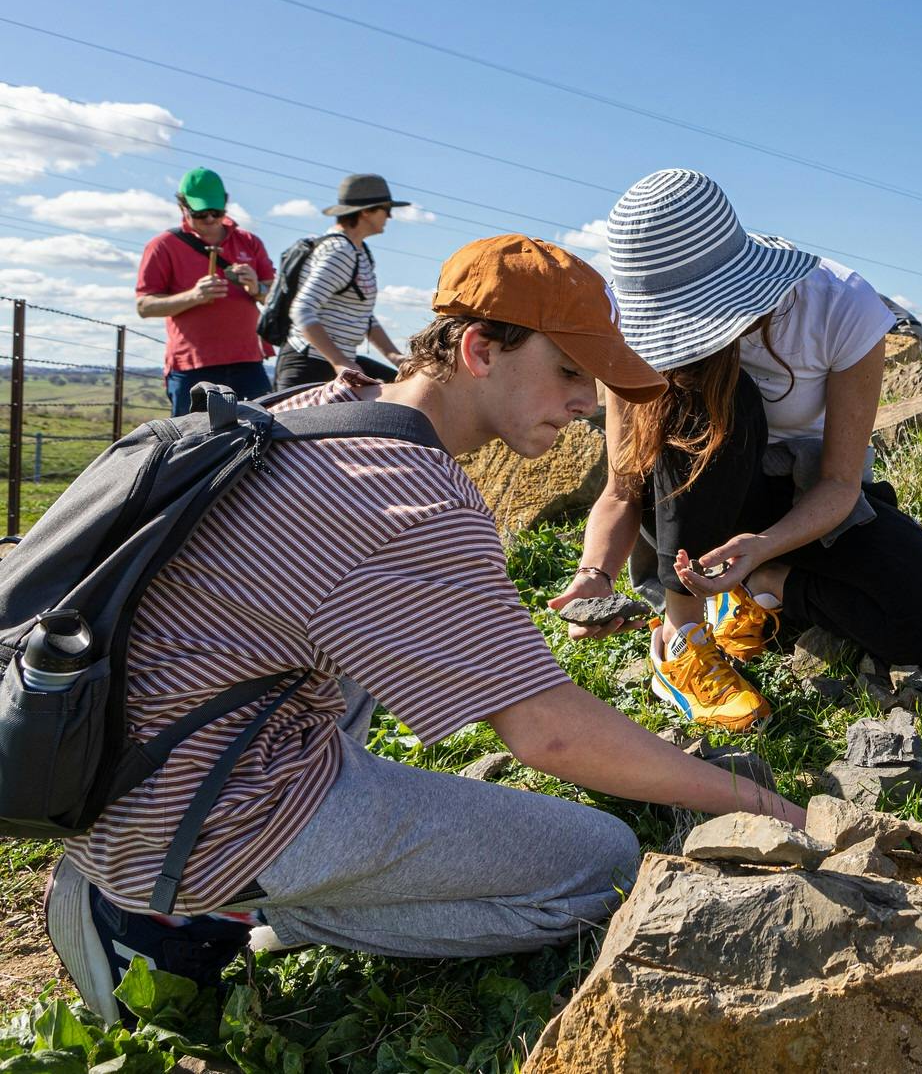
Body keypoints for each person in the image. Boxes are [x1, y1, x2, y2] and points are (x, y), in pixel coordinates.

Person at [44, 235, 803, 1025]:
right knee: (603, 862)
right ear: (480, 348)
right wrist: (749, 801)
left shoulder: (320, 409)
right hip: (202, 812)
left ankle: (182, 877)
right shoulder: (417, 498)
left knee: (354, 656)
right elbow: (548, 735)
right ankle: (187, 914)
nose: (587, 405)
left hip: (117, 765)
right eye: (571, 373)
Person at [550, 169, 922, 732]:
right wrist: (596, 573)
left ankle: (767, 584)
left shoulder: (841, 307)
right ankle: (682, 636)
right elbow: (624, 488)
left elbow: (840, 484)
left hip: (807, 498)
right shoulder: (635, 332)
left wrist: (764, 548)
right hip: (687, 504)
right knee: (717, 397)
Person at [134, 168, 276, 415]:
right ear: (183, 207)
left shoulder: (249, 242)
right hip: (192, 367)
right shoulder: (163, 246)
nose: (210, 219)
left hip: (248, 362)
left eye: (217, 212)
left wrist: (257, 287)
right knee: (194, 445)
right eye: (200, 214)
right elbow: (144, 306)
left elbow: (275, 298)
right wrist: (194, 296)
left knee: (261, 440)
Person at [273, 174, 409, 389]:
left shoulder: (359, 251)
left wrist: (395, 357)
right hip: (310, 365)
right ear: (366, 211)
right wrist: (340, 362)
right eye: (387, 209)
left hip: (333, 362)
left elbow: (363, 315)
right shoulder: (340, 251)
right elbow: (301, 309)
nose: (389, 217)